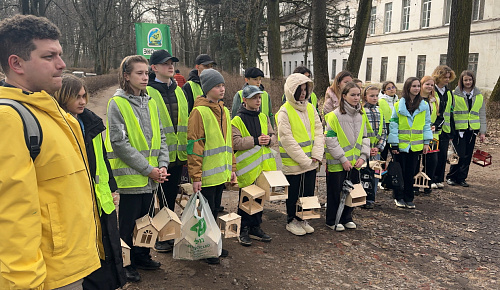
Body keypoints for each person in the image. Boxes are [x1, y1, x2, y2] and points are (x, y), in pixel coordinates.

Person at [0, 15, 101, 289]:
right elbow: (13, 217)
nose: (62, 64)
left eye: (61, 54)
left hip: (70, 265)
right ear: (16, 63)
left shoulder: (51, 110)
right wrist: (24, 283)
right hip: (45, 278)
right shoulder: (9, 119)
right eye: (49, 56)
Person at [53, 75, 126, 289]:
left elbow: (102, 159)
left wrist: (111, 188)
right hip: (78, 203)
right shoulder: (59, 126)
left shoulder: (91, 123)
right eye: (76, 97)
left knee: (107, 250)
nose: (82, 101)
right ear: (61, 97)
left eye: (84, 96)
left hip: (101, 199)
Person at [105, 55, 170, 282]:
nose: (145, 77)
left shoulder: (150, 101)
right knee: (129, 225)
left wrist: (162, 165)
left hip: (152, 177)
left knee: (147, 222)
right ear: (126, 76)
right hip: (132, 178)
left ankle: (142, 255)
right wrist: (148, 169)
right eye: (139, 73)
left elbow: (160, 135)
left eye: (146, 73)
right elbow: (120, 143)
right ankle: (126, 263)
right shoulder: (117, 103)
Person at [187, 68, 237, 264]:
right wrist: (196, 176)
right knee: (205, 215)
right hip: (206, 176)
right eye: (217, 86)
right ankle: (207, 249)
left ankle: (214, 244)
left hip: (220, 174)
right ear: (207, 89)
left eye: (223, 85)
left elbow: (228, 144)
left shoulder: (224, 110)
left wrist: (232, 168)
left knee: (215, 210)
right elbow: (194, 145)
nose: (222, 89)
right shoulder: (199, 112)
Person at [147, 50, 188, 253]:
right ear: (154, 68)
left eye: (172, 63)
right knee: (157, 200)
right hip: (157, 158)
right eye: (165, 63)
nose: (170, 66)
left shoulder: (179, 90)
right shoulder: (147, 91)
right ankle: (158, 238)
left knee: (169, 198)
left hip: (178, 155)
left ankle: (167, 235)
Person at [276, 73, 324, 236]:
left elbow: (319, 131)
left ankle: (303, 218)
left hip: (311, 161)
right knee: (294, 193)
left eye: (305, 90)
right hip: (294, 163)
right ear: (291, 91)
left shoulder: (310, 108)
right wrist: (305, 160)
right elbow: (287, 139)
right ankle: (292, 220)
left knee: (307, 192)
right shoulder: (284, 111)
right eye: (299, 90)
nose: (303, 93)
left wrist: (317, 154)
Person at [232, 85, 276, 246]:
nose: (258, 101)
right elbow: (235, 142)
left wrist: (269, 140)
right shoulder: (237, 120)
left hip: (262, 167)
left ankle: (255, 227)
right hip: (246, 169)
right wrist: (256, 140)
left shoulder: (263, 117)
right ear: (244, 100)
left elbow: (273, 135)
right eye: (254, 98)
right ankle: (243, 229)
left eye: (259, 98)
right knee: (245, 200)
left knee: (259, 198)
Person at [324, 82, 370, 230]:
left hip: (355, 162)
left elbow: (365, 137)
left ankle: (347, 217)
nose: (356, 98)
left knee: (352, 191)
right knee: (335, 192)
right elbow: (330, 140)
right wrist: (343, 159)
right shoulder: (333, 116)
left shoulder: (361, 116)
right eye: (352, 95)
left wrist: (363, 156)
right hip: (338, 162)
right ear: (344, 96)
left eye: (358, 95)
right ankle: (332, 220)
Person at [388, 77, 433, 209]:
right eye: (414, 86)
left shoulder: (424, 105)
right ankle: (398, 196)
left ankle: (409, 197)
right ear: (408, 88)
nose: (417, 88)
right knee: (399, 172)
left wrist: (426, 142)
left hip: (416, 145)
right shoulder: (398, 105)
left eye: (418, 86)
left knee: (411, 172)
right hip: (401, 145)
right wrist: (394, 144)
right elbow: (394, 125)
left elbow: (426, 125)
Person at [446, 70, 486, 187]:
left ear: (473, 80)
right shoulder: (454, 94)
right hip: (459, 129)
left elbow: (482, 114)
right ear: (461, 81)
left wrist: (482, 132)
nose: (468, 82)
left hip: (472, 130)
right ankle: (451, 176)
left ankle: (462, 178)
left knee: (468, 155)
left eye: (470, 80)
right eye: (465, 80)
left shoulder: (478, 95)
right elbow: (450, 112)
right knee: (459, 154)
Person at [361, 85, 386, 208]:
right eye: (371, 96)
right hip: (364, 150)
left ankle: (371, 198)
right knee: (364, 174)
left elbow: (384, 131)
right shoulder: (361, 111)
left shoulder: (379, 111)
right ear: (365, 96)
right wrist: (366, 149)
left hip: (376, 150)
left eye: (376, 95)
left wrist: (379, 147)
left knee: (375, 174)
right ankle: (362, 198)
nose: (375, 98)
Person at [431, 65, 456, 189]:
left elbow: (450, 112)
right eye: (444, 77)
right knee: (432, 155)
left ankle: (439, 178)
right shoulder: (432, 90)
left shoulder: (448, 92)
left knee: (442, 155)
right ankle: (431, 178)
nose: (447, 80)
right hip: (434, 128)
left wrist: (452, 130)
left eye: (448, 77)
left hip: (445, 129)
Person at [419, 76, 439, 194]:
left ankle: (427, 184)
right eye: (427, 84)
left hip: (432, 135)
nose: (429, 87)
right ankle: (415, 185)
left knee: (432, 161)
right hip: (418, 134)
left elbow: (439, 115)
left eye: (432, 85)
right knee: (417, 161)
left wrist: (435, 125)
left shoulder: (435, 100)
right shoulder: (416, 99)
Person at [378, 81, 399, 162]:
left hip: (395, 133)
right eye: (388, 88)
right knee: (382, 158)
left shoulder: (399, 101)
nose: (391, 90)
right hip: (384, 133)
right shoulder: (380, 101)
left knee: (396, 158)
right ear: (384, 91)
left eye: (393, 87)